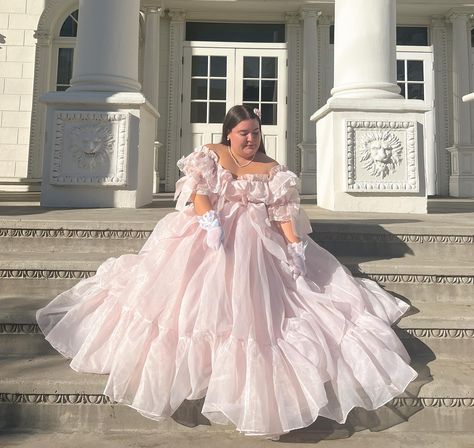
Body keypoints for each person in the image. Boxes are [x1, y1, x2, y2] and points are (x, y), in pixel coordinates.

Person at [36, 104, 417, 439]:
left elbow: (283, 213)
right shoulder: (211, 154)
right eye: (243, 133)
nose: (250, 139)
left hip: (256, 244)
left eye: (255, 132)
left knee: (263, 310)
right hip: (209, 233)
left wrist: (296, 246)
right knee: (186, 299)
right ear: (229, 133)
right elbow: (198, 190)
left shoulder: (272, 169)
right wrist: (208, 222)